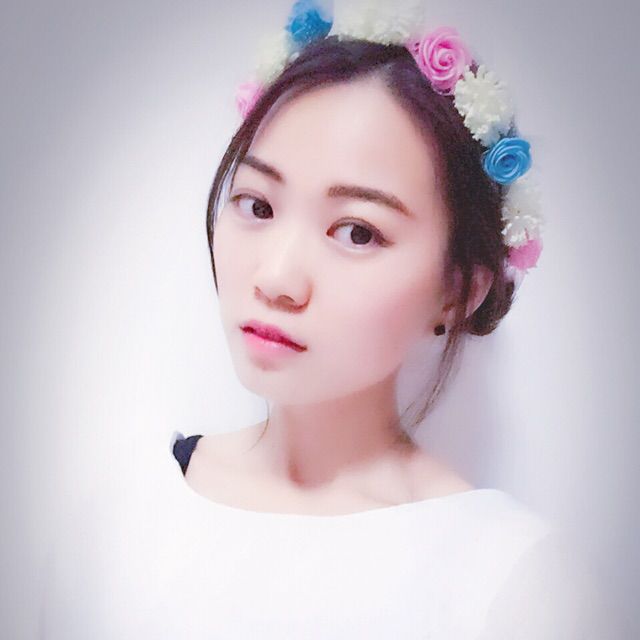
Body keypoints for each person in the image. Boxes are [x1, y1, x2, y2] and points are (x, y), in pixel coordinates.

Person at [39, 1, 607, 638]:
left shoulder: (515, 585)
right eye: (257, 205)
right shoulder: (123, 516)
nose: (277, 278)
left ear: (458, 290)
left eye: (358, 232)